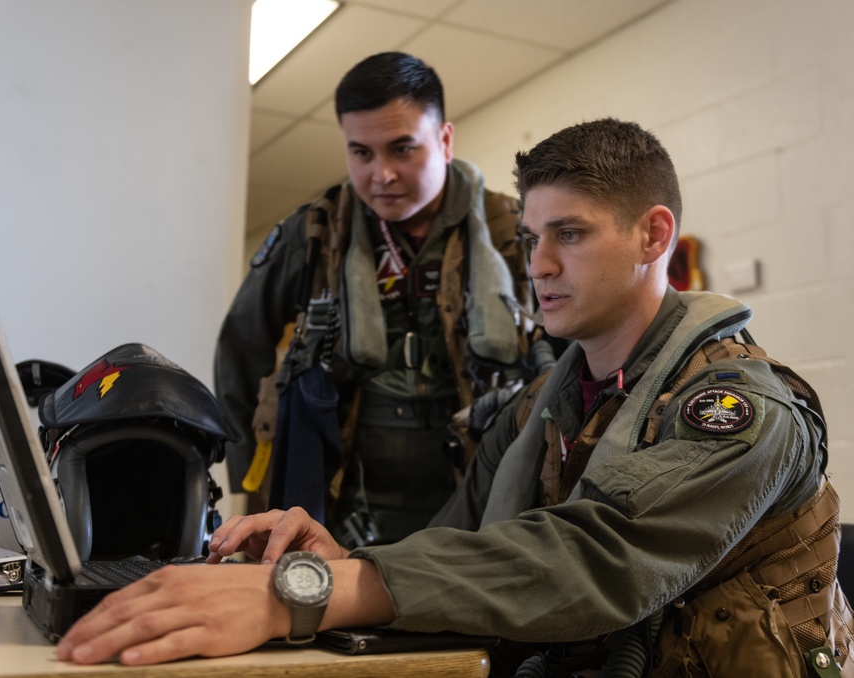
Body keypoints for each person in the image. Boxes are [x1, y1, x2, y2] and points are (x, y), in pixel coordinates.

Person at [58, 118, 852, 676]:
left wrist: (307, 593)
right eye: (530, 238)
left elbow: (597, 555)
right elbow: (463, 540)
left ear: (653, 236)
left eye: (568, 235)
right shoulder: (544, 405)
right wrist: (344, 558)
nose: (537, 265)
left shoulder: (739, 414)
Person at [214, 51, 544, 546]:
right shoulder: (313, 234)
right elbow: (239, 348)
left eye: (402, 149)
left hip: (480, 496)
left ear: (445, 140)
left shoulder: (515, 230)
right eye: (361, 152)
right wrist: (251, 479)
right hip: (341, 500)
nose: (381, 174)